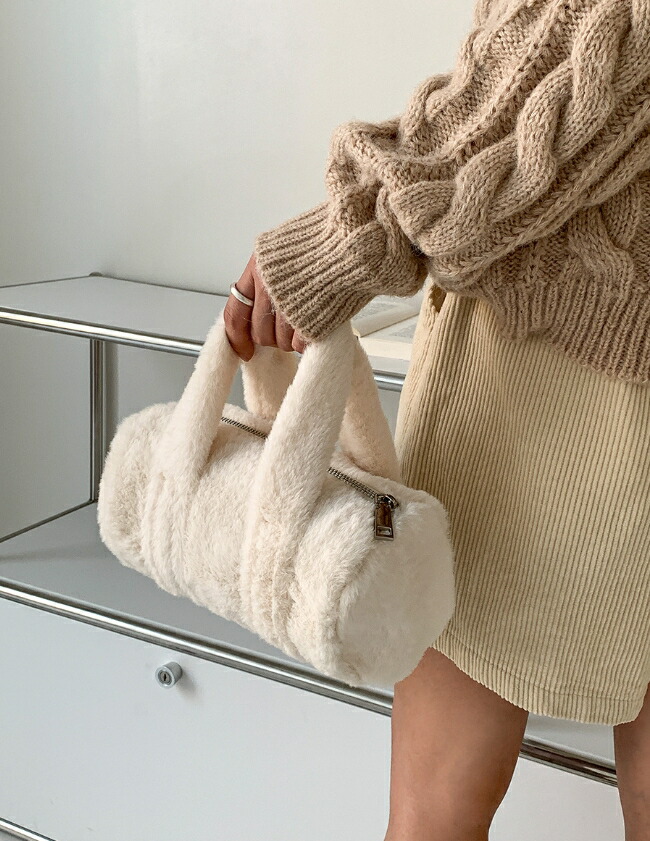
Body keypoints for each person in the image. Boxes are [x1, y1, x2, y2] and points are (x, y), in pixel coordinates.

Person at [224, 0, 650, 838]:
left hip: (554, 381)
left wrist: (348, 239)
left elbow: (585, 50)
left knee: (434, 816)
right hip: (583, 356)